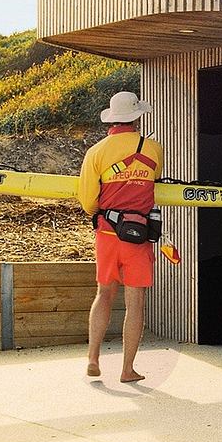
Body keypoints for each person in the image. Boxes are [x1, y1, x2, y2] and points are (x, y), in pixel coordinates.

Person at [77, 90, 164, 382]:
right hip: (137, 235)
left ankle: (93, 358)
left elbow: (87, 200)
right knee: (135, 301)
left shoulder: (96, 152)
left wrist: (103, 212)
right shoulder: (153, 149)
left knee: (104, 294)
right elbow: (154, 182)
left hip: (106, 233)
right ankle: (127, 370)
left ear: (112, 119)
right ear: (137, 118)